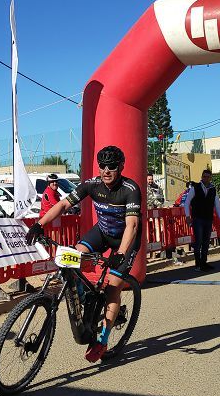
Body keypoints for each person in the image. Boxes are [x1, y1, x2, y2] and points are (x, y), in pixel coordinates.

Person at [26, 145, 141, 362]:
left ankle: (104, 340)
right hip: (103, 232)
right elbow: (63, 204)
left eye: (112, 166)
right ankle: (88, 296)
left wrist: (122, 253)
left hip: (126, 238)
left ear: (121, 167)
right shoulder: (91, 184)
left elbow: (132, 225)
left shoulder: (130, 189)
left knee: (113, 287)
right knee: (72, 259)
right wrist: (39, 224)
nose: (106, 170)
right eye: (102, 166)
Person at [182, 169, 220, 272]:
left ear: (210, 178)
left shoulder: (213, 189)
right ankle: (198, 264)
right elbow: (187, 202)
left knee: (206, 242)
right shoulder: (195, 188)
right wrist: (187, 216)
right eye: (204, 176)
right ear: (201, 176)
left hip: (208, 218)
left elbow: (217, 204)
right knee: (198, 241)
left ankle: (204, 262)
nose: (206, 178)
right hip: (197, 218)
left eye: (208, 177)